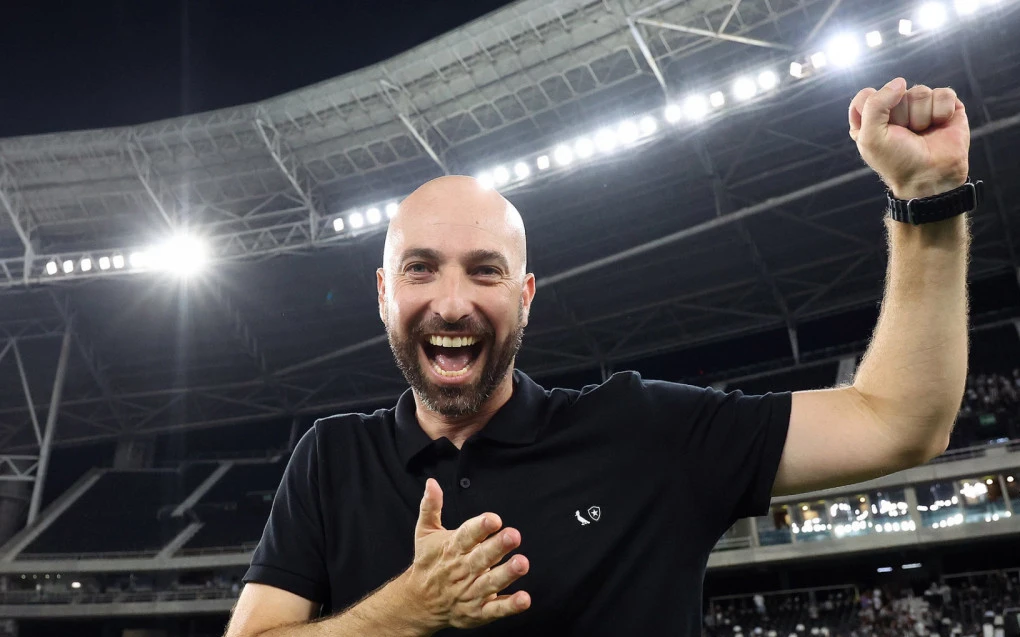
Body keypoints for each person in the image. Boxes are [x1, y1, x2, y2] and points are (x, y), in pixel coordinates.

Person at [224, 77, 975, 636]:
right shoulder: (330, 461)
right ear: (385, 293)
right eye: (421, 269)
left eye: (484, 271)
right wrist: (409, 607)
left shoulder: (646, 432)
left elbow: (900, 420)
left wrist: (928, 200)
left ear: (526, 296)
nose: (452, 302)